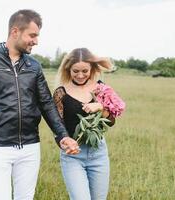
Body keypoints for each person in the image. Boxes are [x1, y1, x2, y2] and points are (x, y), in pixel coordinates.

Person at [0, 9, 79, 200]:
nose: (36, 41)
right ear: (15, 31)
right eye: (32, 35)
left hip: (30, 147)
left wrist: (63, 135)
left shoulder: (34, 66)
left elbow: (47, 104)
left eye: (37, 36)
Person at [53, 48, 116, 200]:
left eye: (84, 71)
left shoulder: (101, 89)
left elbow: (111, 121)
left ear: (92, 69)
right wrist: (65, 143)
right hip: (73, 156)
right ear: (68, 69)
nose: (80, 75)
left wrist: (101, 107)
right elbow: (57, 125)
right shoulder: (61, 93)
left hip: (98, 153)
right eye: (75, 71)